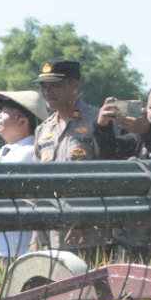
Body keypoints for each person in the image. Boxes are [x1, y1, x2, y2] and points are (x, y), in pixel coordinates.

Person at [95, 80, 151, 259]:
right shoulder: (138, 137)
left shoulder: (150, 134)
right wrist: (102, 127)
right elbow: (108, 157)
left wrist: (147, 131)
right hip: (134, 238)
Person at [33, 59, 104, 251]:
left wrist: (84, 216)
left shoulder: (98, 122)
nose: (47, 92)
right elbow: (37, 187)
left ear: (75, 84)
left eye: (55, 86)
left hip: (89, 233)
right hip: (51, 234)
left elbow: (107, 179)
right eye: (43, 87)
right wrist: (36, 238)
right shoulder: (43, 130)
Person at [0, 90, 49, 259]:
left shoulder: (27, 153)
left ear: (22, 121)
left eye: (5, 113)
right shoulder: (6, 151)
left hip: (9, 247)